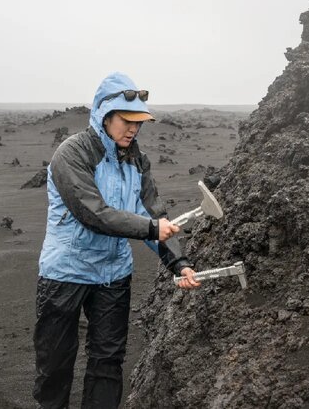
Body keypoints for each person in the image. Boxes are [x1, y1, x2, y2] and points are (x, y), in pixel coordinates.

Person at [33, 72, 200, 409]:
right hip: (64, 273)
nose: (134, 129)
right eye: (127, 120)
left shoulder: (137, 160)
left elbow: (153, 214)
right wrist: (152, 229)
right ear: (104, 115)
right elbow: (93, 213)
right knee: (55, 365)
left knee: (107, 363)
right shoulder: (72, 154)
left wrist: (178, 263)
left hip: (112, 276)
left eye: (139, 122)